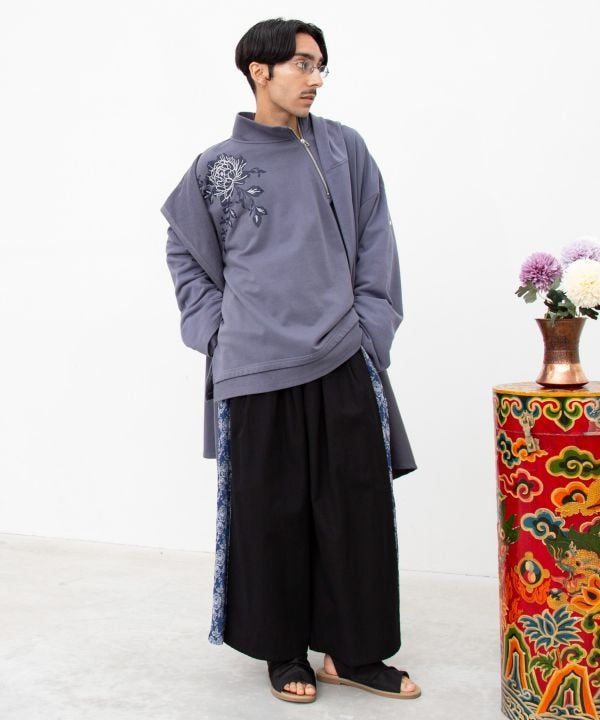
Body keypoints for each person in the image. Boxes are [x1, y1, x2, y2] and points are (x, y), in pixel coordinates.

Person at [161, 17, 420, 704]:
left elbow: (377, 238)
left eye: (321, 65)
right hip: (255, 364)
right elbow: (184, 250)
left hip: (342, 350)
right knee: (269, 512)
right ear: (260, 70)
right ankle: (284, 653)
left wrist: (371, 327)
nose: (316, 79)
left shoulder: (343, 148)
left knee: (356, 507)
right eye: (303, 64)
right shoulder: (216, 165)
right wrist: (216, 331)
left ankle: (354, 652)